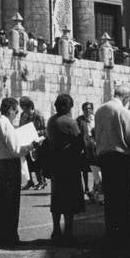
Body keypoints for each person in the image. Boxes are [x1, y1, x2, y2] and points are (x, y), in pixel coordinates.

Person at [0, 97, 37, 248]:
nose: (17, 113)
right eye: (16, 110)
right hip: (9, 165)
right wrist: (31, 145)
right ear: (10, 110)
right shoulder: (6, 125)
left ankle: (0, 235)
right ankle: (10, 236)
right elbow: (15, 150)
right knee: (11, 202)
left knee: (1, 201)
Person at [94, 86, 130, 254]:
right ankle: (124, 229)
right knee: (123, 195)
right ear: (126, 97)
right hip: (119, 157)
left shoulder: (100, 110)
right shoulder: (122, 111)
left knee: (110, 194)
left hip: (104, 156)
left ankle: (111, 228)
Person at [46, 93, 85, 246]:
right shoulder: (70, 122)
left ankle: (56, 230)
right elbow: (79, 143)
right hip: (69, 163)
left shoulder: (51, 120)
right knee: (70, 198)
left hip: (55, 163)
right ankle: (68, 232)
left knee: (57, 197)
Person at [19, 97, 47, 190]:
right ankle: (30, 181)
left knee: (37, 162)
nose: (24, 110)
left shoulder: (38, 115)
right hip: (26, 141)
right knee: (27, 162)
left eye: (25, 108)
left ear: (30, 106)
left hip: (37, 141)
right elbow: (20, 127)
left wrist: (35, 132)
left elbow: (45, 130)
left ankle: (41, 181)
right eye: (22, 108)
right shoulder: (23, 115)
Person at [76, 102, 97, 199]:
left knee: (95, 168)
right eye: (85, 109)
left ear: (92, 109)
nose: (87, 110)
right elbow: (78, 134)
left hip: (94, 144)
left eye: (89, 108)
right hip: (84, 145)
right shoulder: (80, 120)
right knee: (84, 168)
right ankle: (86, 188)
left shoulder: (96, 119)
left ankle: (95, 187)